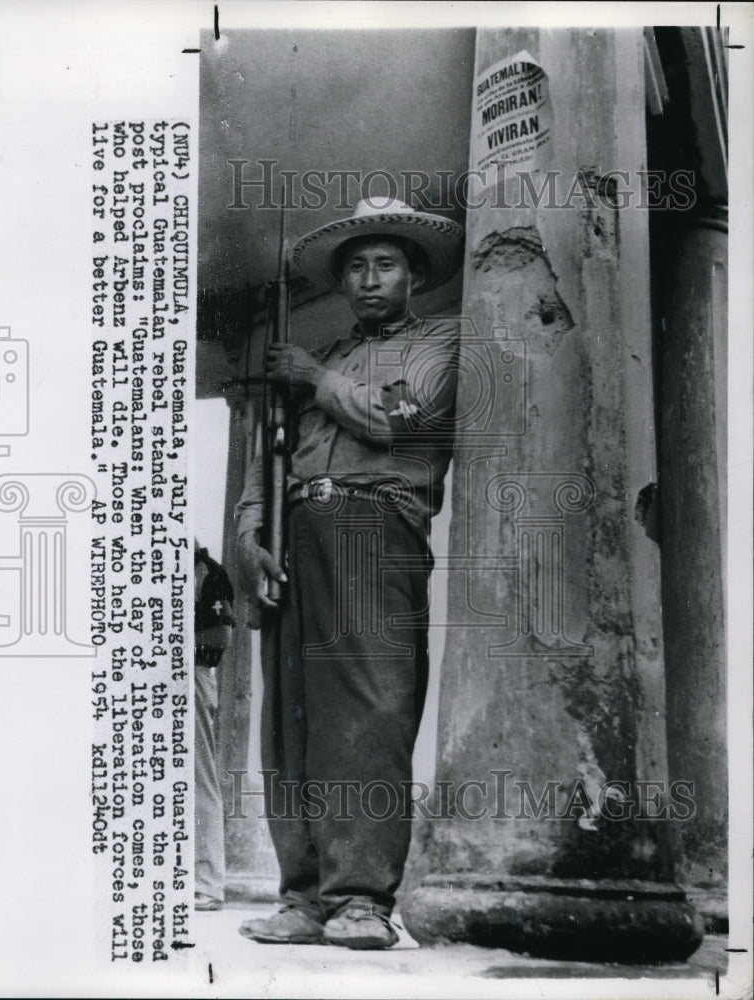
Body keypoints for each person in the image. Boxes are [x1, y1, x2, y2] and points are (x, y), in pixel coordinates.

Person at [235, 198, 464, 949]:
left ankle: (362, 900)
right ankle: (302, 899)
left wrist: (314, 376)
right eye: (356, 268)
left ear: (415, 275)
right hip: (298, 535)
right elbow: (266, 462)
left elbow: (397, 423)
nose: (369, 279)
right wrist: (249, 534)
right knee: (291, 720)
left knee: (368, 717)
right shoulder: (325, 353)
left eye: (385, 265)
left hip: (377, 527)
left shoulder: (442, 342)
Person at [193, 542, 236, 911]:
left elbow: (219, 638)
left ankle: (207, 883)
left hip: (191, 674)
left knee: (199, 775)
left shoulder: (209, 571)